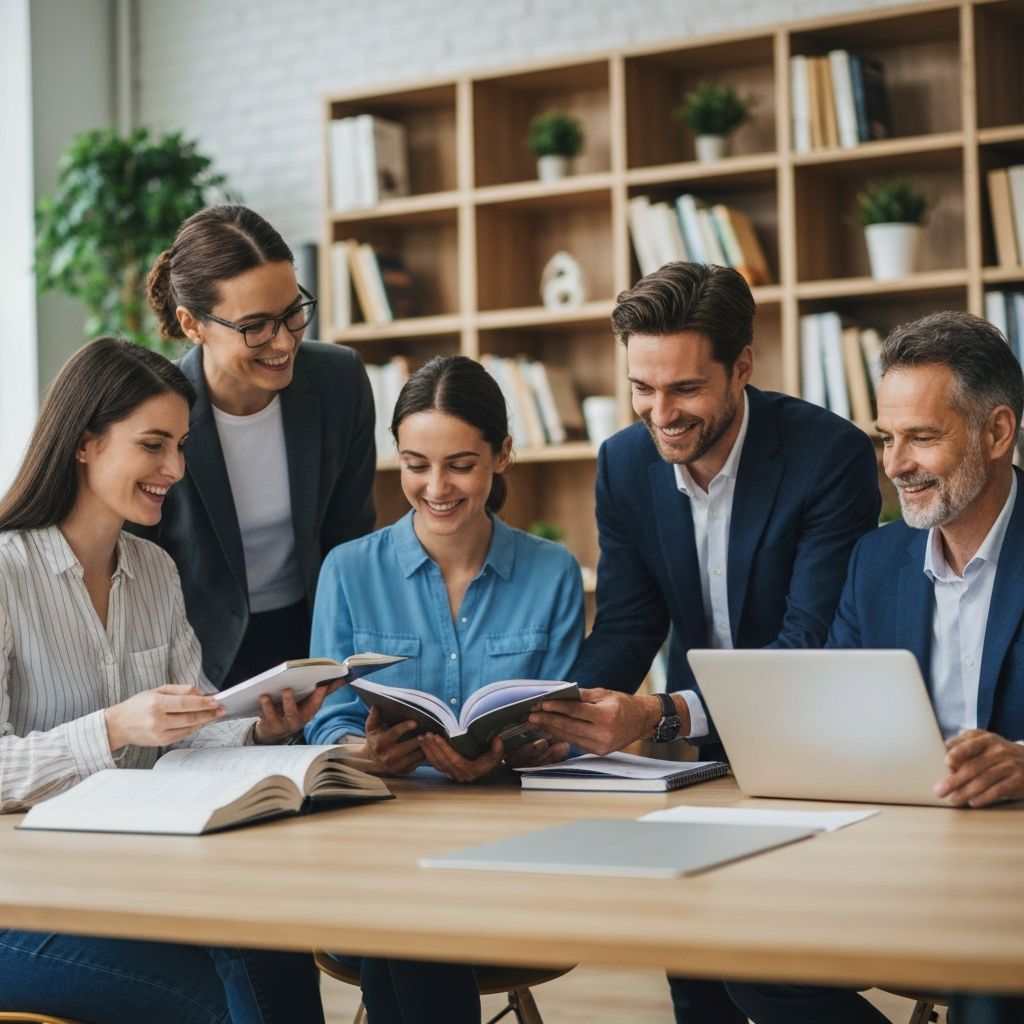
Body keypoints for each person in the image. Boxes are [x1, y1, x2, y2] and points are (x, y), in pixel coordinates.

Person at [527, 261, 881, 1024]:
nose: (660, 414)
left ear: (742, 367)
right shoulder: (625, 463)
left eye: (685, 389)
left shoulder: (830, 456)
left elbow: (809, 646)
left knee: (771, 979)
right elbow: (627, 624)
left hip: (810, 747)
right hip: (698, 760)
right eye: (642, 388)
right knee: (694, 976)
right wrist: (560, 713)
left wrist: (659, 714)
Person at [0, 338, 333, 1023]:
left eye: (181, 446)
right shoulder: (7, 573)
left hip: (127, 877)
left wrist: (258, 730)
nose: (176, 469)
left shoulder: (155, 571)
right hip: (21, 899)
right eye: (154, 445)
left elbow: (190, 735)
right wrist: (114, 727)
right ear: (85, 442)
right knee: (205, 996)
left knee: (272, 942)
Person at [726, 311, 1024, 1024]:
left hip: (1012, 866)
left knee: (988, 979)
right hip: (903, 850)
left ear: (997, 432)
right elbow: (837, 720)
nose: (894, 465)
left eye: (922, 437)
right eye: (888, 438)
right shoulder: (877, 559)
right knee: (750, 957)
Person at [306, 353, 585, 1024]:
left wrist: (521, 751)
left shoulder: (552, 573)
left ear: (502, 456)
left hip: (510, 859)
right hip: (376, 847)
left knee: (409, 925)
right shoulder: (347, 570)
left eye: (460, 465)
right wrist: (366, 753)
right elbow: (325, 722)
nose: (436, 487)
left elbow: (567, 733)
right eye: (415, 464)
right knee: (410, 913)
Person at [143, 204, 376, 688]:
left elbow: (350, 537)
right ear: (192, 324)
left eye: (293, 313)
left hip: (317, 633)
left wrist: (348, 666)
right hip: (194, 653)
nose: (284, 343)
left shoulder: (340, 381)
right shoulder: (153, 414)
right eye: (255, 326)